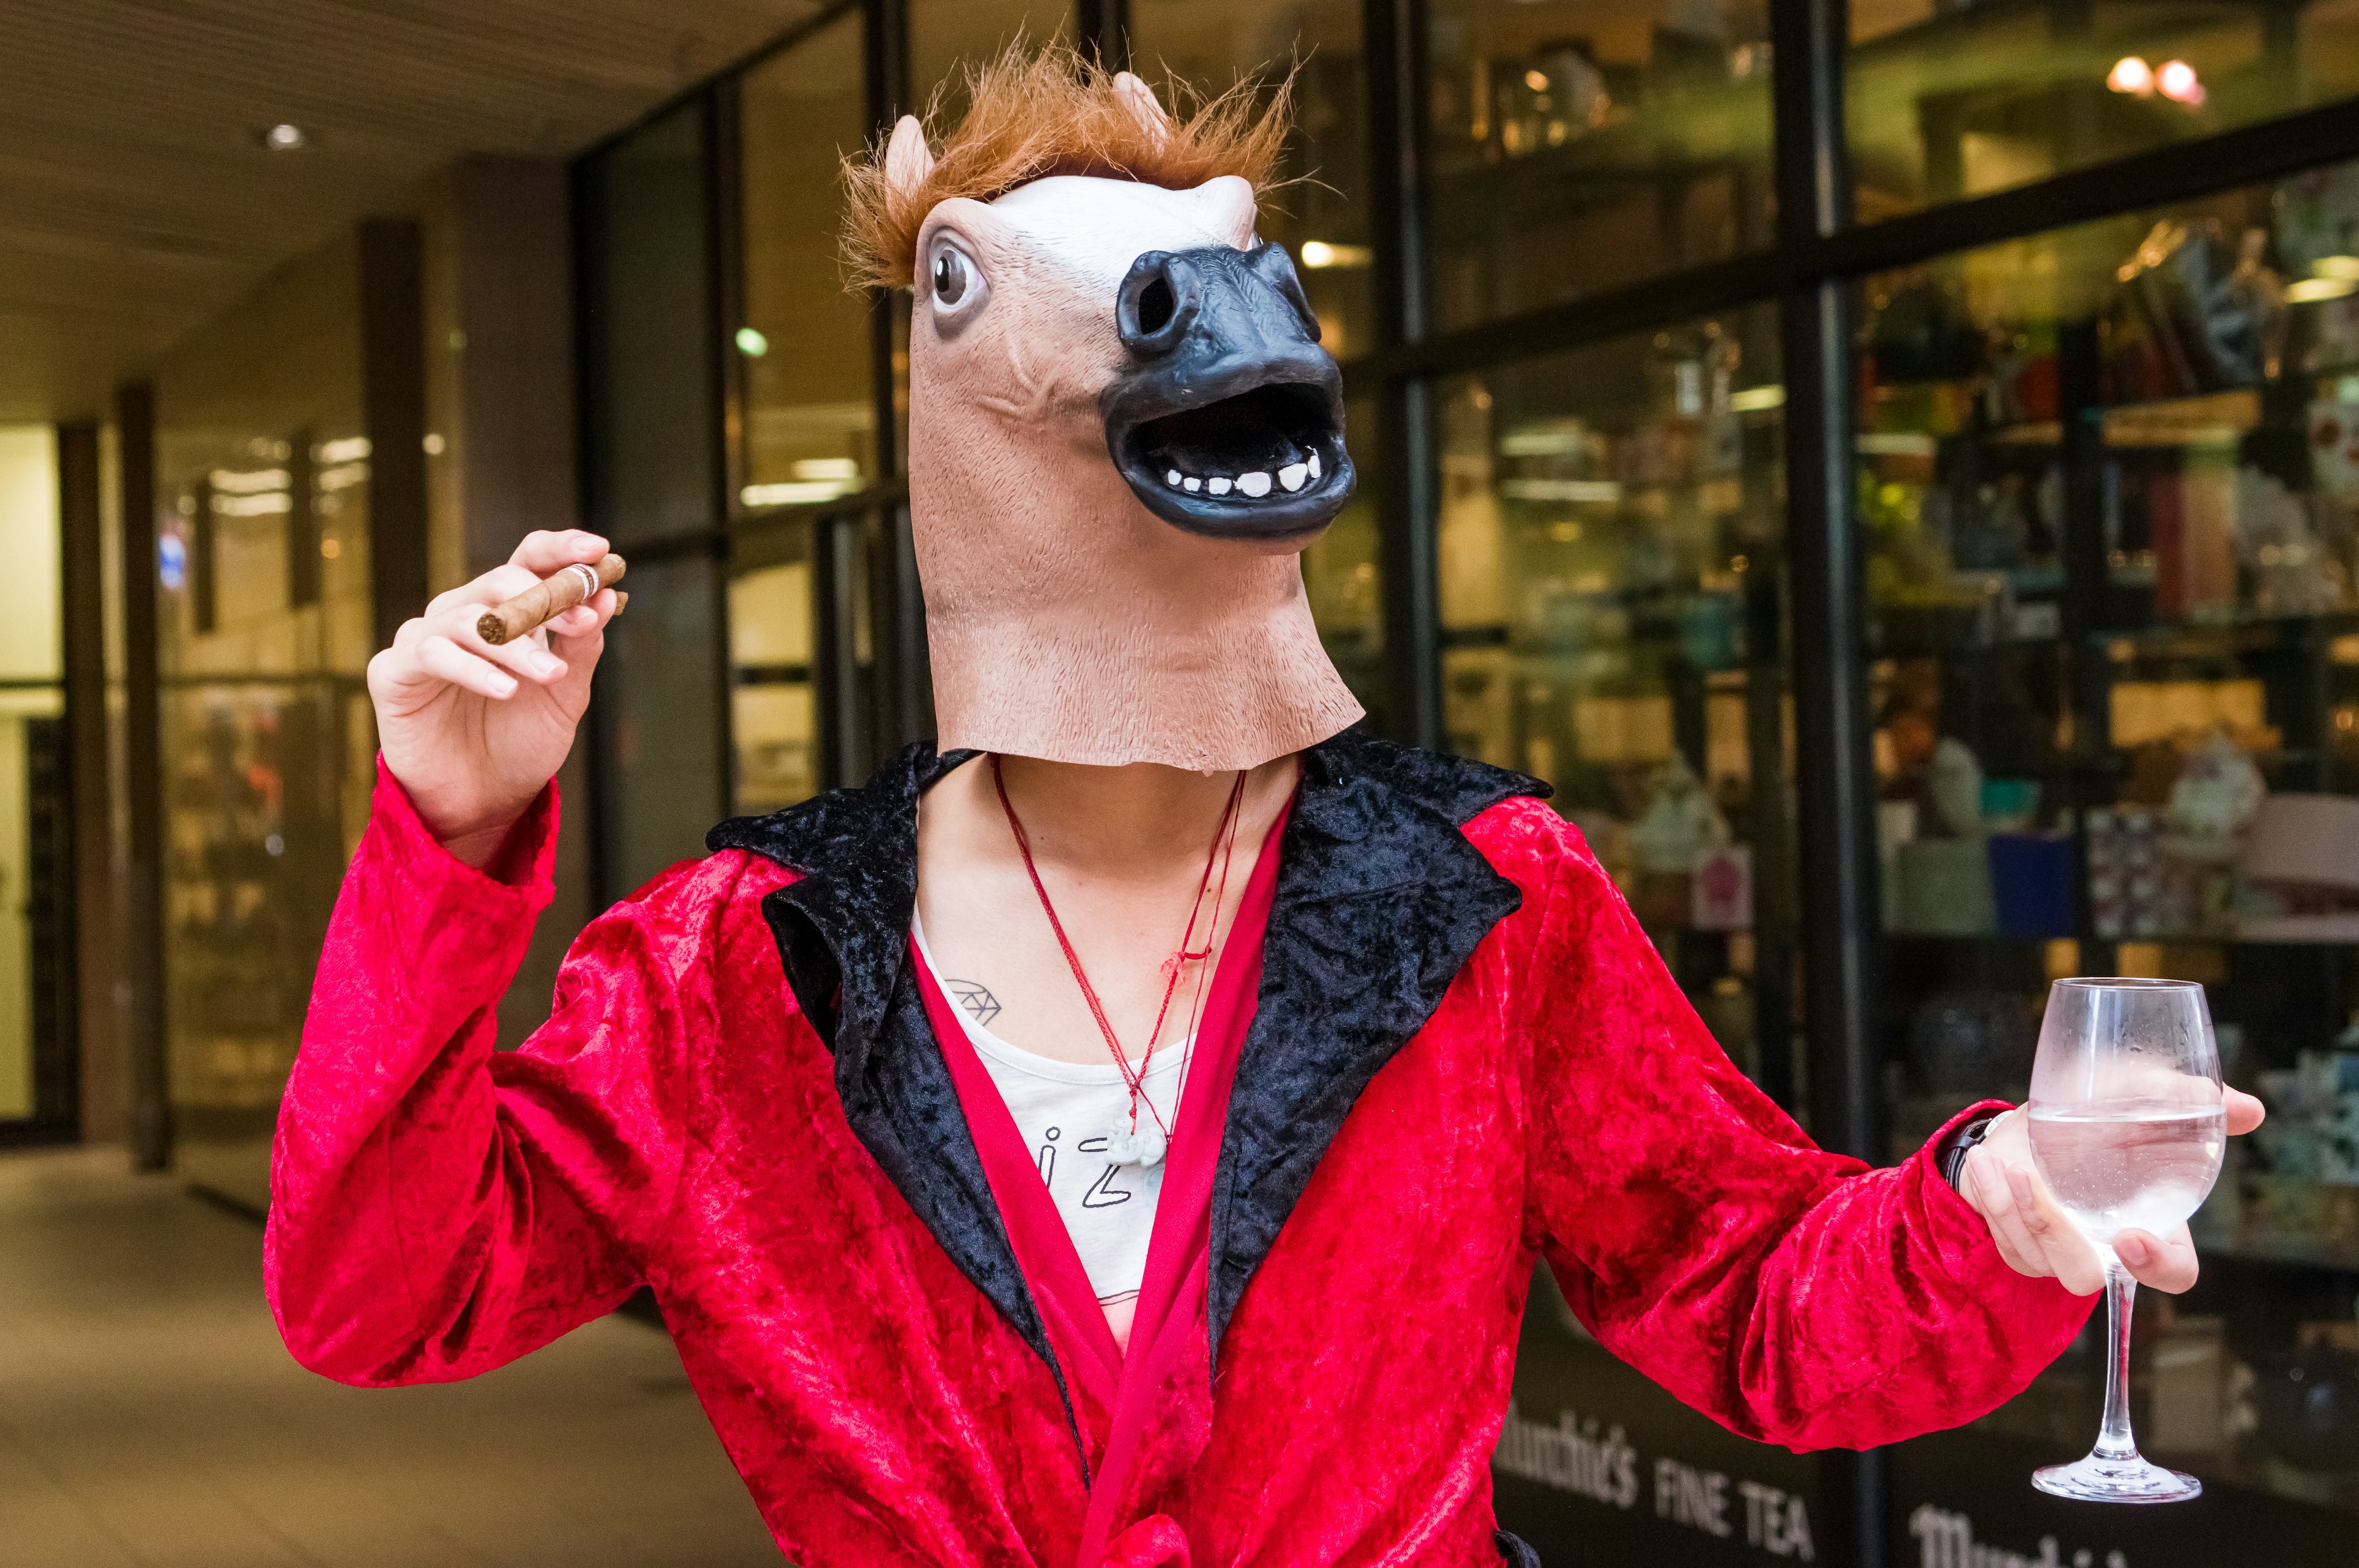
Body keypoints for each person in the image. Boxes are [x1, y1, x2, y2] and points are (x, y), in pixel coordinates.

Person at [267, 49, 2261, 1568]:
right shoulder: (747, 966)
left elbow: (1749, 1293)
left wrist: (1993, 1212)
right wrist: (442, 841)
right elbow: (382, 1293)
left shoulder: (1480, 895)